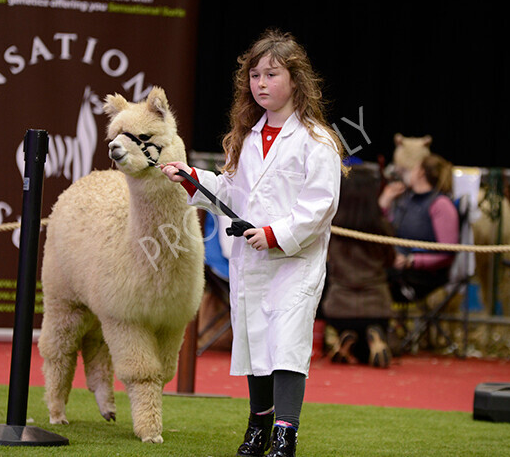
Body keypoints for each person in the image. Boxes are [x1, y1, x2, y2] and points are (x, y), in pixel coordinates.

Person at [161, 28, 345, 457]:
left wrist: (274, 234)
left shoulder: (318, 141)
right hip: (252, 258)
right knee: (255, 339)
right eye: (255, 75)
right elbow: (231, 191)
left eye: (272, 74)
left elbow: (320, 205)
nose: (260, 83)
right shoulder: (246, 137)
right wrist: (193, 178)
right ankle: (258, 427)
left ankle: (285, 434)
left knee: (286, 342)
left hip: (295, 261)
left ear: (296, 81)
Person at [321, 162, 396, 368]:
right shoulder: (382, 228)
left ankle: (346, 338)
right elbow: (391, 261)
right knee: (367, 353)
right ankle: (372, 338)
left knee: (352, 339)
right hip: (377, 307)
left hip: (339, 308)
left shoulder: (332, 228)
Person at [378, 154, 459, 303]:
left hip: (422, 276)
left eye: (414, 168)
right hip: (398, 268)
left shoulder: (441, 204)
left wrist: (412, 260)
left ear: (421, 172)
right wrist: (384, 202)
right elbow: (388, 231)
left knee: (370, 279)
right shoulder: (406, 199)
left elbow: (448, 253)